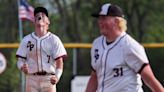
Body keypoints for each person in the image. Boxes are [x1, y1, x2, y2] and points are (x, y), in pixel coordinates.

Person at [85, 3, 164, 92]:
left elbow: (150, 79)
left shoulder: (129, 45)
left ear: (116, 21)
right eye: (99, 18)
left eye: (104, 18)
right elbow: (94, 76)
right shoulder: (97, 44)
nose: (100, 21)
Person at [16, 7, 67, 92]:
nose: (40, 16)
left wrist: (57, 76)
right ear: (34, 21)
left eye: (43, 15)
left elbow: (59, 62)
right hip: (31, 78)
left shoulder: (54, 39)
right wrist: (22, 67)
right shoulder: (26, 39)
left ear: (48, 21)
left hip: (48, 78)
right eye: (37, 15)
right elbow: (20, 60)